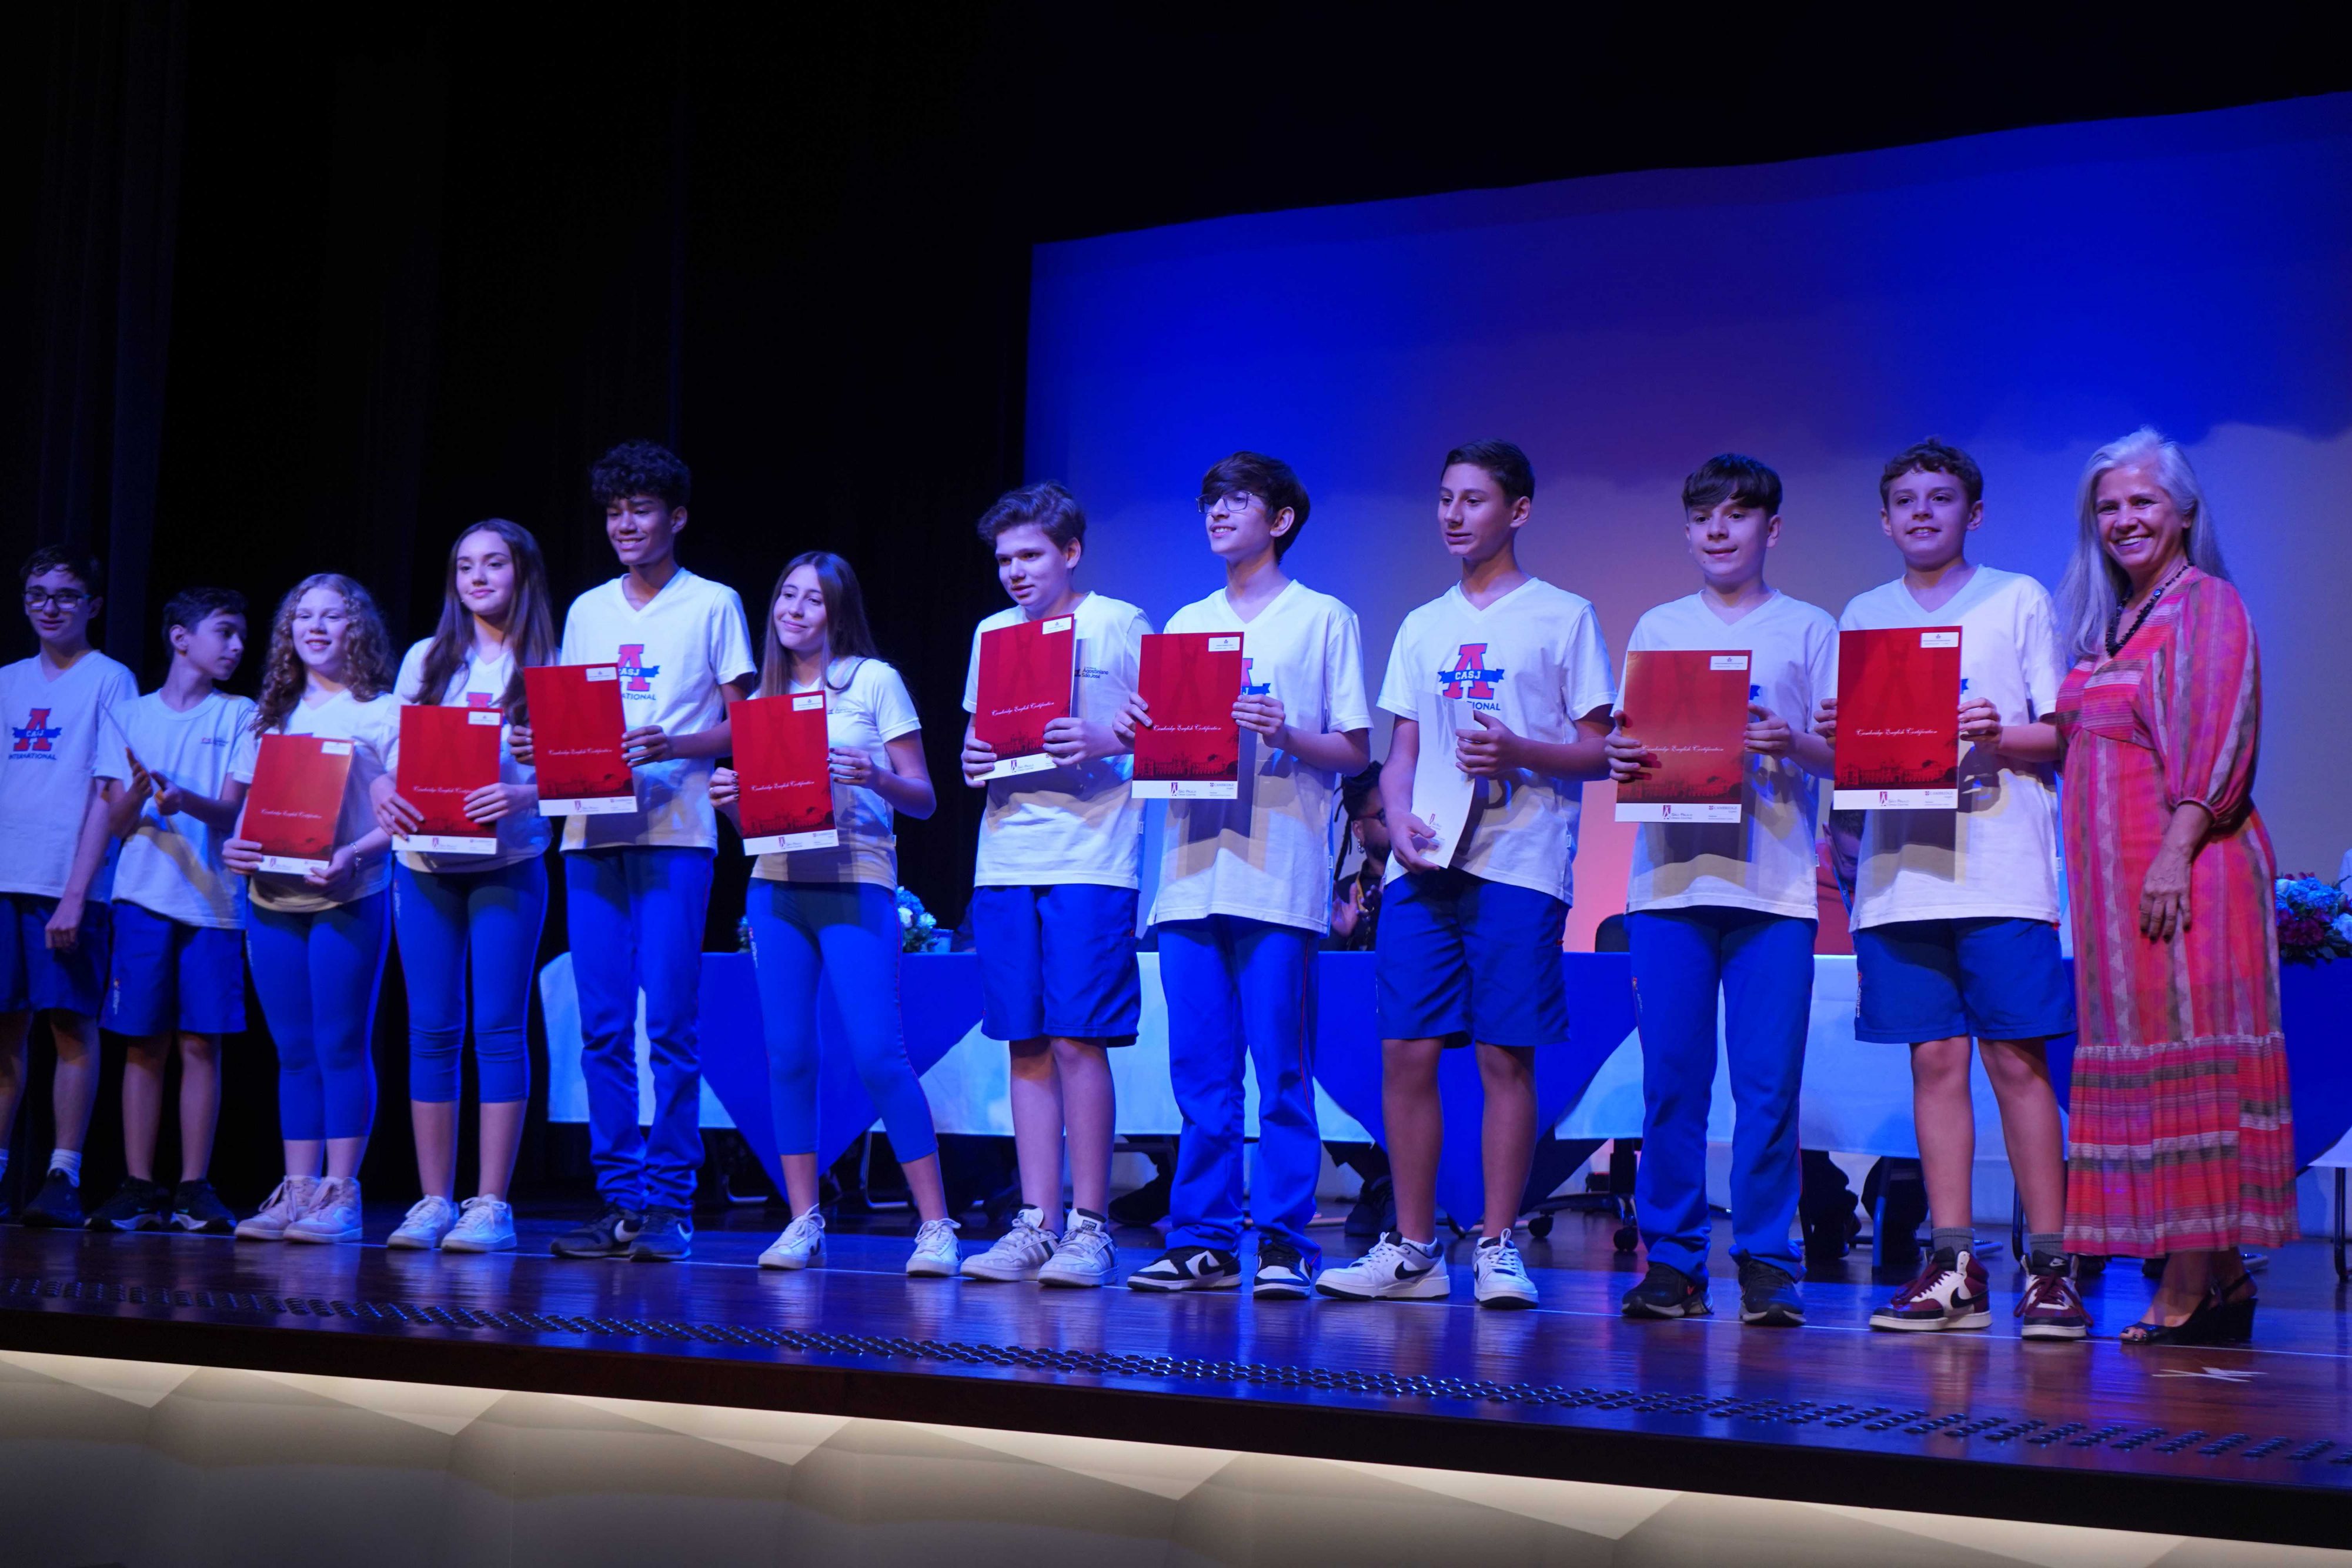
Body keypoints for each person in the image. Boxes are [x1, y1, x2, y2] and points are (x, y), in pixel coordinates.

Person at [1315, 439, 1614, 1309]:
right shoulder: (1423, 623)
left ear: (1517, 510)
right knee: (1405, 1050)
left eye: (1473, 499)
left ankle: (1497, 1243)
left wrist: (1521, 751)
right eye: (1445, 497)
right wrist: (1396, 817)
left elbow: (1600, 750)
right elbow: (1404, 750)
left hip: (1519, 863)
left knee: (1502, 1054)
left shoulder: (1563, 616)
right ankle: (1412, 1248)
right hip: (1425, 864)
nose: (1453, 514)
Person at [1814, 439, 2087, 1339]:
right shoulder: (1864, 613)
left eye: (1940, 497)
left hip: (2000, 868)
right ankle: (1955, 1263)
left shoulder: (2017, 598)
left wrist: (1999, 732)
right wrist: (1835, 733)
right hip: (1901, 878)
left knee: (2017, 1061)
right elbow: (1857, 757)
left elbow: (2061, 734)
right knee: (1933, 1063)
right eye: (1906, 499)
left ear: (1974, 512)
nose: (1922, 512)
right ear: (1885, 518)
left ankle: (2051, 1265)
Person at [2050, 429, 2291, 1343]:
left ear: (2183, 511)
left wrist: (2173, 851)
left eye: (2142, 501)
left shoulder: (2207, 604)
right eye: (2108, 505)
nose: (2124, 519)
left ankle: (2187, 1288)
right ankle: (2223, 1275)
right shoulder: (2113, 620)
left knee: (2194, 1066)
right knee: (2157, 1070)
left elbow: (2223, 736)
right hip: (2119, 900)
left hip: (2189, 876)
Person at [1119, 453, 1370, 1299]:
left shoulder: (1322, 617)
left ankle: (1286, 1240)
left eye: (1236, 500)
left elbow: (1354, 750)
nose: (1217, 513)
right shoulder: (1185, 622)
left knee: (1283, 1073)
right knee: (1201, 1075)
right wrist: (1141, 727)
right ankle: (1203, 1238)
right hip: (1190, 875)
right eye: (1208, 501)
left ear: (1281, 519)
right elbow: (1167, 746)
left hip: (1277, 874)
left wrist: (1286, 731)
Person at [1605, 454, 1835, 1328]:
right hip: (1668, 885)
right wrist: (1621, 754)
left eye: (1736, 514)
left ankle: (1768, 1260)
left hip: (1772, 887)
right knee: (1672, 1083)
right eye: (1703, 514)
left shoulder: (1809, 627)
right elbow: (1633, 741)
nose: (1717, 529)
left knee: (1768, 1087)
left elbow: (1849, 756)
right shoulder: (1658, 626)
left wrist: (1791, 742)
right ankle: (1672, 1260)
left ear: (1770, 529)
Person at [518, 442, 756, 1263]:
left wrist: (674, 742)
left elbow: (745, 725)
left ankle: (671, 1201)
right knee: (603, 1025)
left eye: (641, 509)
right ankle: (619, 1198)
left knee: (672, 1024)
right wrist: (541, 744)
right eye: (615, 511)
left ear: (676, 517)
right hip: (590, 831)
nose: (625, 524)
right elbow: (572, 718)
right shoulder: (588, 610)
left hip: (676, 832)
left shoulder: (713, 604)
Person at [710, 551, 961, 1278]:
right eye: (787, 596)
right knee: (788, 1055)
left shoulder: (873, 682)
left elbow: (924, 797)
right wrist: (732, 807)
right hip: (776, 888)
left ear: (838, 611)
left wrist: (874, 774)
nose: (795, 611)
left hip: (856, 882)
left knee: (879, 1054)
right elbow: (761, 826)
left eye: (813, 600)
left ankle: (936, 1225)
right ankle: (801, 1219)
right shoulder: (762, 697)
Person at [956, 482, 1151, 1288]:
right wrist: (972, 756)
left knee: (1077, 1038)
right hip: (1007, 856)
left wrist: (1104, 736)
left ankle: (1090, 1225)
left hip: (1090, 854)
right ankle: (1036, 1220)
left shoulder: (1119, 622)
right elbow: (978, 737)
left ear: (1070, 552)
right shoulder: (992, 632)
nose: (1015, 571)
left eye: (1031, 554)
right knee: (1026, 1041)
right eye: (1005, 558)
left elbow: (1168, 732)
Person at [373, 520, 556, 1253]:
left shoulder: (552, 662)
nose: (477, 578)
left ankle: (491, 1204)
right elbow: (391, 756)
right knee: (431, 1030)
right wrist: (383, 788)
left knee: (499, 1030)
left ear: (523, 573)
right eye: (465, 566)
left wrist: (525, 794)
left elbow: (589, 773)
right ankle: (433, 1200)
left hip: (508, 864)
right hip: (424, 866)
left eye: (494, 564)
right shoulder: (426, 659)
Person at [223, 574, 400, 1244]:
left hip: (346, 893)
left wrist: (355, 852)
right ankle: (297, 1188)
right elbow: (246, 813)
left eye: (332, 616)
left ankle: (340, 1191)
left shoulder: (381, 713)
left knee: (340, 1044)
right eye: (303, 616)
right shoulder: (268, 716)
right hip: (272, 900)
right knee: (294, 1050)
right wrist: (236, 846)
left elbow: (405, 814)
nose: (316, 627)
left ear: (358, 628)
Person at [87, 588, 255, 1235]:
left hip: (213, 903)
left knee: (201, 1043)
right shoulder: (131, 715)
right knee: (143, 1042)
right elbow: (114, 820)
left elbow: (232, 811)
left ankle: (192, 1187)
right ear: (181, 638)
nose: (236, 645)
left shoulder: (239, 713)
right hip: (142, 898)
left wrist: (185, 799)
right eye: (224, 631)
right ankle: (138, 1185)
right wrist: (136, 795)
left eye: (241, 635)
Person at [1, 547, 135, 1226]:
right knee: (4, 1030)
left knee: (70, 1025)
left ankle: (63, 1172)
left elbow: (108, 790)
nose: (49, 607)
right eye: (37, 594)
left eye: (65, 595)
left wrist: (77, 894)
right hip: (6, 877)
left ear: (93, 606)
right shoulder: (7, 681)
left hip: (66, 882)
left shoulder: (110, 680)